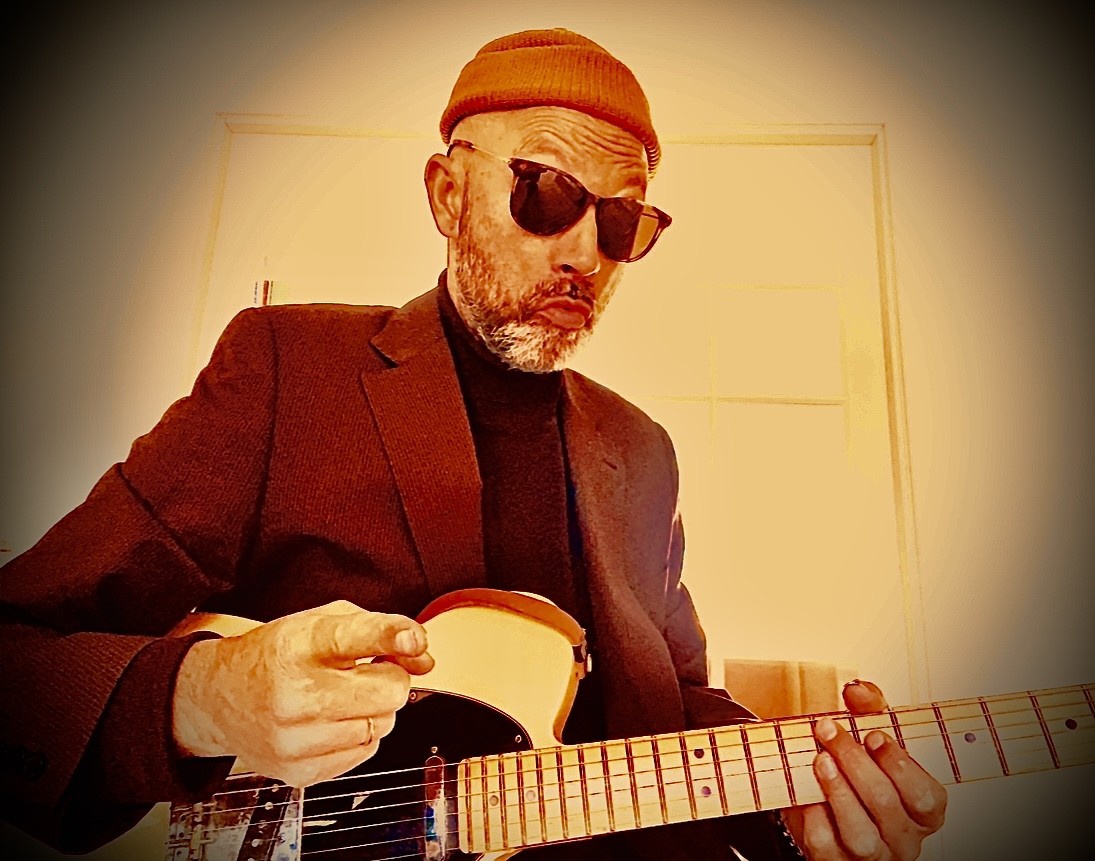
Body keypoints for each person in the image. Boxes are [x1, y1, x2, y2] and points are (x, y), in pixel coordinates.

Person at [0, 28, 946, 861]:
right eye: (547, 193)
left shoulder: (641, 448)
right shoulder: (286, 365)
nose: (585, 253)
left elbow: (676, 703)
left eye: (622, 221)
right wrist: (203, 696)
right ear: (448, 193)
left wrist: (797, 804)